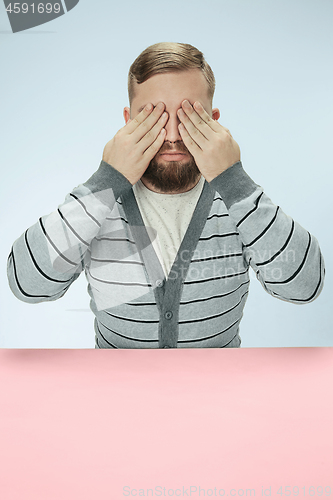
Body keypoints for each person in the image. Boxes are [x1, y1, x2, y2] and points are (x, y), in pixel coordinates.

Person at [7, 42, 325, 349]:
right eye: (153, 118)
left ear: (214, 123)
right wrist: (107, 179)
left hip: (223, 399)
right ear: (128, 123)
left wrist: (233, 179)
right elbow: (27, 285)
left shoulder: (238, 205)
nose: (172, 136)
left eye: (189, 117)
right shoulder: (98, 206)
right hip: (112, 397)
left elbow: (305, 287)